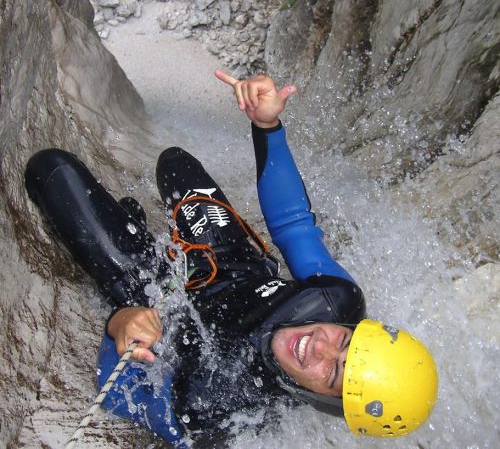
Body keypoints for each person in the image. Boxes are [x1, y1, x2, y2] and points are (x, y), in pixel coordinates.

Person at [24, 72, 438, 446]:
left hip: (154, 304)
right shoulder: (336, 299)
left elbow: (122, 392)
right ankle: (142, 227)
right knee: (175, 163)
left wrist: (122, 320)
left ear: (321, 401)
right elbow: (294, 225)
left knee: (49, 169)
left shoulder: (217, 404)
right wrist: (267, 126)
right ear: (354, 327)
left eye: (333, 375)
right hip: (229, 264)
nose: (320, 349)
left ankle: (137, 241)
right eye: (345, 342)